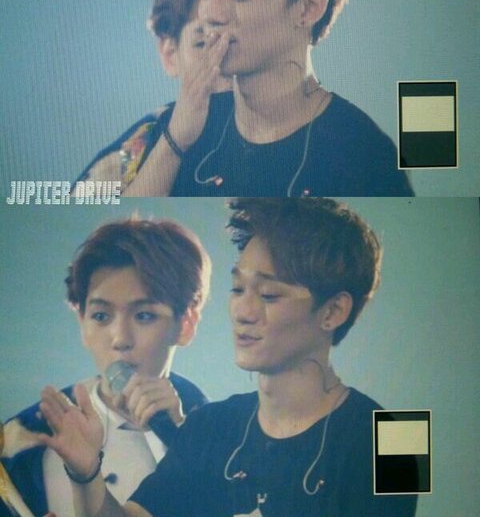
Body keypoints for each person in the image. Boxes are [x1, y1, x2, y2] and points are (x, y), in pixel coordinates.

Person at [32, 198, 417, 516]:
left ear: (333, 311)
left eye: (268, 295)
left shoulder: (396, 441)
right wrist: (86, 472)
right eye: (237, 289)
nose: (243, 312)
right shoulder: (209, 426)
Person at [124, 0, 414, 197]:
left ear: (308, 8)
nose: (211, 13)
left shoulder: (363, 155)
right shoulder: (182, 124)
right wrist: (175, 139)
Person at [0, 217, 211, 516]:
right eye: (101, 316)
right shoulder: (22, 445)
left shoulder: (224, 434)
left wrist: (180, 436)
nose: (120, 339)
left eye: (144, 315)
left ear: (186, 324)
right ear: (82, 323)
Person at [73, 0, 231, 193]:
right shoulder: (139, 145)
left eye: (232, 42)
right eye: (202, 44)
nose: (222, 61)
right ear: (170, 55)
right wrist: (173, 142)